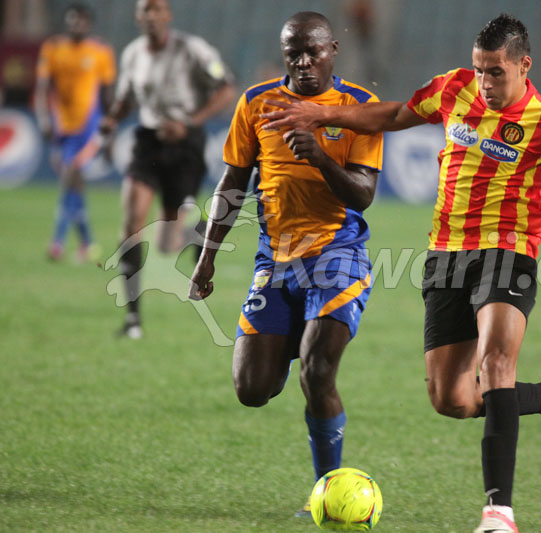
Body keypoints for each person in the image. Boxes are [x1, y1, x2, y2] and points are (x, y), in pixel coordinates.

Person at [263, 13, 541, 533]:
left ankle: (499, 513)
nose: (485, 83)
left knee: (496, 362)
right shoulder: (454, 88)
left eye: (495, 72)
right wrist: (323, 116)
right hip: (445, 257)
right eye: (480, 70)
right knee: (451, 399)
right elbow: (391, 115)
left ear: (524, 65)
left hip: (508, 253)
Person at [187, 12, 383, 518]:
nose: (302, 62)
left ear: (333, 50)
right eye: (292, 52)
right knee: (252, 389)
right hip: (274, 261)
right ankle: (302, 333)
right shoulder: (256, 102)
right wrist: (206, 256)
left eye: (312, 51)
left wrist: (319, 155)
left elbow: (363, 195)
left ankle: (328, 492)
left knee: (318, 373)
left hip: (338, 256)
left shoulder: (359, 108)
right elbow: (232, 184)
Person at [100, 0, 235, 339]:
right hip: (148, 143)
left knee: (164, 245)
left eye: (157, 9)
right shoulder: (132, 54)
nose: (151, 16)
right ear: (138, 17)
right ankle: (132, 319)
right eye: (145, 10)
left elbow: (226, 88)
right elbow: (127, 97)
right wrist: (113, 119)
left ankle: (194, 234)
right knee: (131, 223)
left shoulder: (193, 50)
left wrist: (190, 122)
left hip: (185, 146)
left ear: (168, 15)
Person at [34, 3, 115, 262]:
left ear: (88, 24)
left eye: (81, 21)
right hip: (62, 128)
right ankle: (87, 243)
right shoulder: (53, 48)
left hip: (89, 127)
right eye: (72, 21)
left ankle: (57, 242)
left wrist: (109, 130)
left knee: (70, 177)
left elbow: (107, 94)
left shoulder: (101, 51)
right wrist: (44, 117)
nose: (76, 25)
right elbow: (42, 88)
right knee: (74, 186)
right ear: (66, 23)